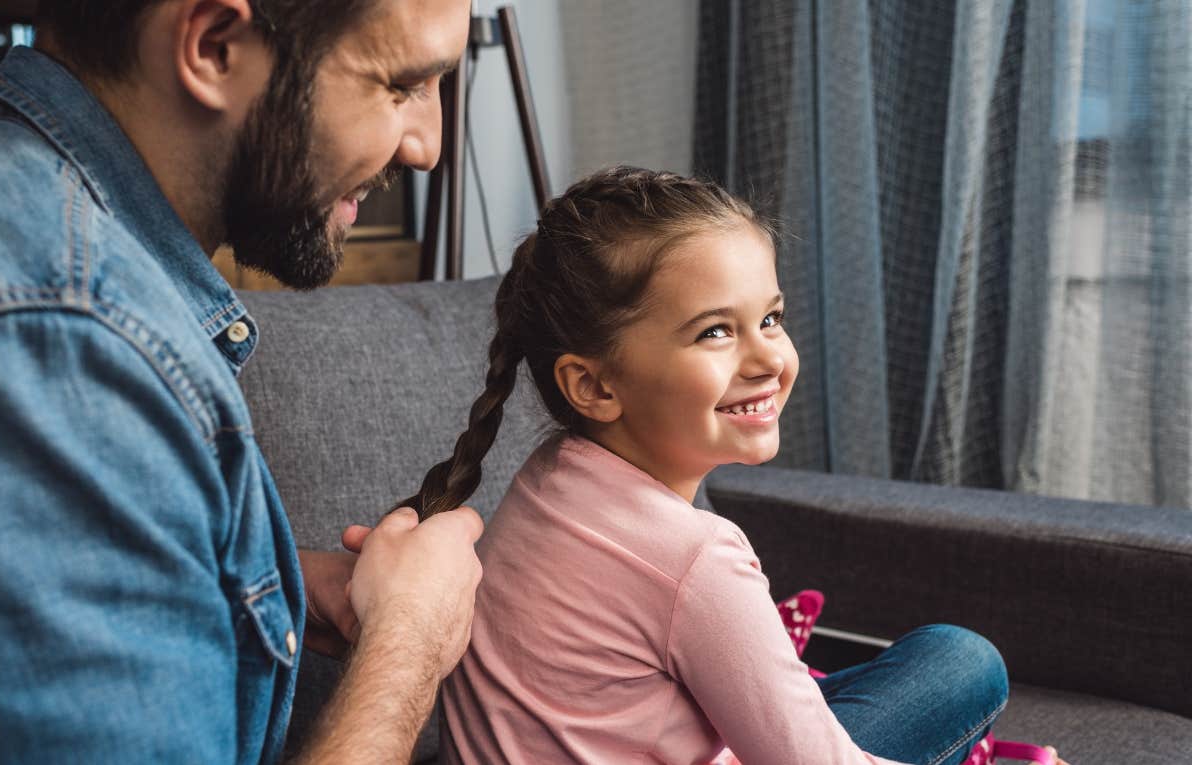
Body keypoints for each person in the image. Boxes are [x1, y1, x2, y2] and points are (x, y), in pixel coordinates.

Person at [0, 1, 482, 762]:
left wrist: (248, 586)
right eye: (402, 84)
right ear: (212, 46)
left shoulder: (18, 250)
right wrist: (407, 642)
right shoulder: (46, 349)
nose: (428, 147)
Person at [402, 167, 1065, 765]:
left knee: (931, 662)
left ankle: (778, 674)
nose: (768, 359)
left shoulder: (545, 477)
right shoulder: (696, 559)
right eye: (715, 331)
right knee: (964, 660)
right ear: (595, 386)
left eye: (770, 318)